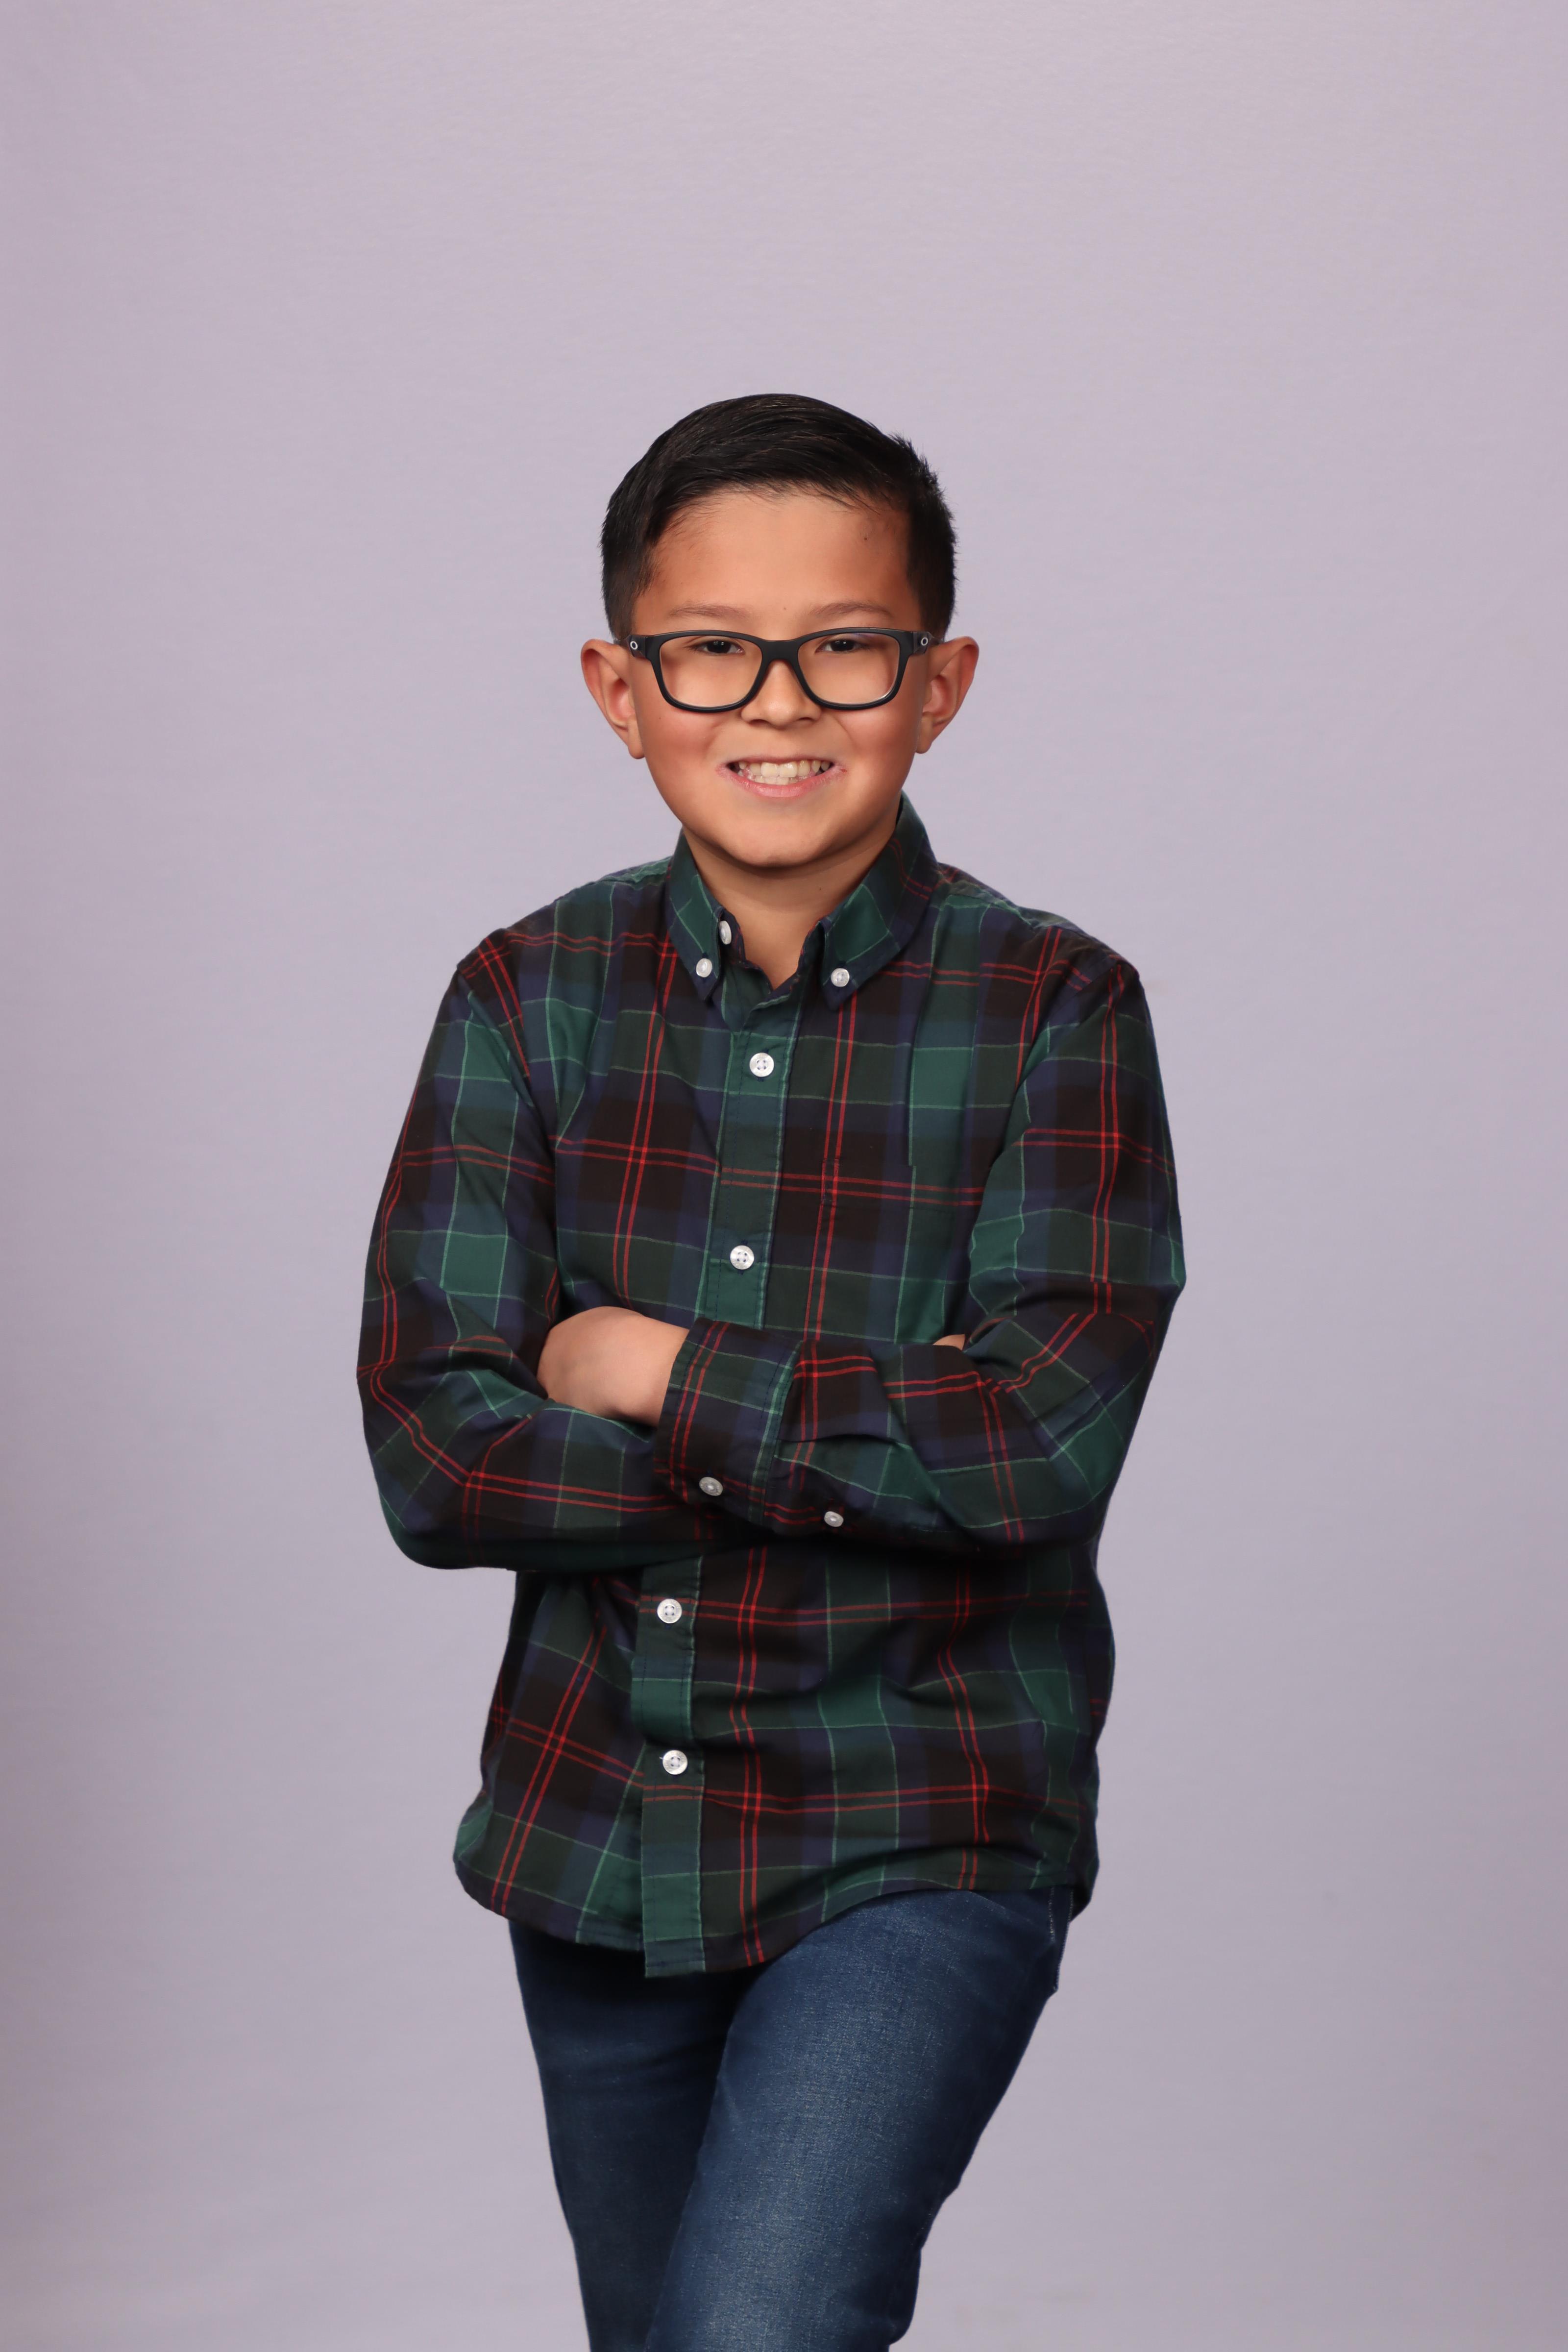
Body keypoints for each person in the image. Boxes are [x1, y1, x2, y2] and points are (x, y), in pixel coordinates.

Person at [357, 392, 1184, 2351]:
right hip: (601, 1835)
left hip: (922, 1821)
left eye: (847, 647)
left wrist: (643, 1364)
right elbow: (436, 1458)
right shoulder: (524, 999)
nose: (779, 701)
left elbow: (1029, 1454)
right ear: (620, 688)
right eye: (711, 649)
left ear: (937, 683)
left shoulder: (1055, 1009)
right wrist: (869, 1436)